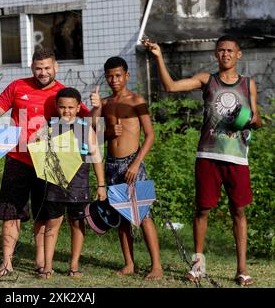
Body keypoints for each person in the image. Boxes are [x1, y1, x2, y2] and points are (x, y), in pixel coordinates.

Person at [144, 35, 261, 286]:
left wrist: (249, 119)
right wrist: (158, 57)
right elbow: (171, 87)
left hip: (237, 157)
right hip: (208, 155)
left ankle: (241, 268)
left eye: (230, 50)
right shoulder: (207, 80)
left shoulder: (248, 84)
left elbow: (258, 119)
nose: (225, 54)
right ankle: (198, 265)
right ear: (216, 54)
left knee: (238, 211)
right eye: (221, 50)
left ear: (238, 54)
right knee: (203, 209)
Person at [0, 48, 90, 276]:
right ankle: (6, 262)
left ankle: (41, 262)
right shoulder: (17, 86)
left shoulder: (64, 93)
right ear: (32, 68)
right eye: (38, 68)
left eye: (47, 68)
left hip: (49, 161)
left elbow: (86, 120)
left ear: (55, 68)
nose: (43, 72)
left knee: (44, 215)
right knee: (11, 213)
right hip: (17, 158)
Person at [90, 56, 163, 280]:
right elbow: (93, 134)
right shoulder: (104, 103)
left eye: (118, 75)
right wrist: (97, 113)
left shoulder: (136, 100)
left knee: (144, 215)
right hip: (112, 164)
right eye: (110, 76)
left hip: (133, 162)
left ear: (127, 76)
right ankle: (129, 263)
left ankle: (157, 266)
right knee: (121, 215)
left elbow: (150, 135)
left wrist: (136, 163)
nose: (114, 80)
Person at [36, 87, 107, 279]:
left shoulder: (86, 129)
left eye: (70, 107)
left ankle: (74, 266)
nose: (66, 111)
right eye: (62, 107)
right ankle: (47, 266)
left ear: (78, 108)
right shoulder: (49, 128)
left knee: (76, 223)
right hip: (54, 186)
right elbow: (38, 152)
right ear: (56, 108)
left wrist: (101, 185)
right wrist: (38, 141)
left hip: (79, 186)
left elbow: (96, 158)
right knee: (53, 224)